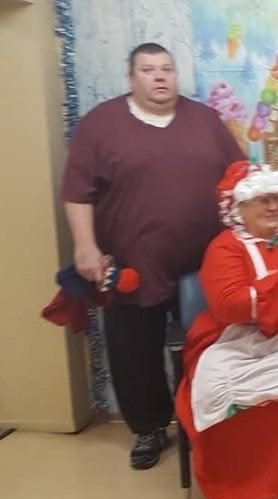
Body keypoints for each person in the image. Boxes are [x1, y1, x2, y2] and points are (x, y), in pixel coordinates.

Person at [59, 42, 246, 469]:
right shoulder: (101, 124)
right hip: (131, 264)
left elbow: (238, 178)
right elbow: (77, 192)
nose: (160, 77)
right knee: (134, 349)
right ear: (131, 77)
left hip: (205, 264)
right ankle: (149, 427)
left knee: (210, 344)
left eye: (167, 69)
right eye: (148, 69)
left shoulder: (206, 120)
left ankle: (208, 421)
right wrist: (85, 245)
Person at [174, 161, 278, 499]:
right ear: (240, 207)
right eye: (263, 200)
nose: (274, 206)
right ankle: (238, 484)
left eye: (276, 198)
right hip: (231, 342)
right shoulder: (224, 247)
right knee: (219, 393)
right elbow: (230, 305)